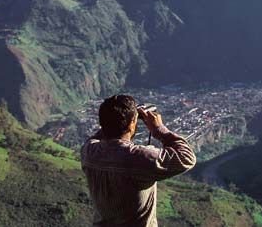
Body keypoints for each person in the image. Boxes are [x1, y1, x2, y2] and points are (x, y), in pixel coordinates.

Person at [80, 94, 196, 227]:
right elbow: (187, 157)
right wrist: (159, 129)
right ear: (131, 125)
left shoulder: (89, 152)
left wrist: (115, 120)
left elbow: (100, 135)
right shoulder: (139, 158)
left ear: (102, 122)